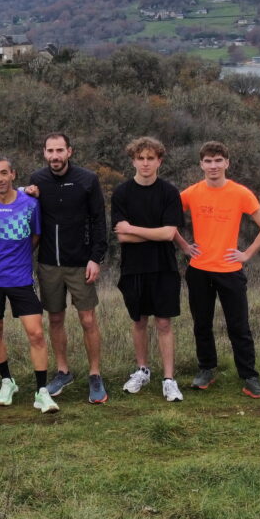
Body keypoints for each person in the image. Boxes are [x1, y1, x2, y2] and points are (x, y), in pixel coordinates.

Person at [177, 141, 260, 398]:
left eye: (218, 160)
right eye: (208, 161)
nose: (213, 166)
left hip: (230, 270)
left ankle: (250, 377)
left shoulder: (240, 193)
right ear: (201, 164)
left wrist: (246, 254)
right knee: (202, 324)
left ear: (227, 163)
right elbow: (167, 219)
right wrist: (184, 246)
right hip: (199, 269)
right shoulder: (191, 193)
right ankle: (206, 370)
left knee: (239, 326)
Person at [27, 133, 109, 404]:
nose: (55, 156)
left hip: (80, 262)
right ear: (44, 153)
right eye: (50, 151)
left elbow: (98, 220)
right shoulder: (37, 179)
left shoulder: (87, 179)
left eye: (60, 150)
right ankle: (63, 371)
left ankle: (95, 374)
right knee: (55, 319)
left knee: (88, 320)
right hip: (49, 262)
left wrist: (96, 258)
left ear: (69, 151)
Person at [0, 157, 58, 413]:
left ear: (13, 174)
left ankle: (41, 391)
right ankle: (7, 382)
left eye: (4, 173)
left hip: (21, 278)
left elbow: (36, 236)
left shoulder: (30, 204)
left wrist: (16, 258)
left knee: (36, 333)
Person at [111, 137, 185, 402]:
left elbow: (169, 234)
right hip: (133, 267)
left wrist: (133, 229)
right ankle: (142, 370)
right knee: (139, 320)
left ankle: (169, 379)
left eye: (150, 158)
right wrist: (153, 233)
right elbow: (122, 237)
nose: (145, 163)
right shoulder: (122, 193)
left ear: (159, 161)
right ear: (133, 161)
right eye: (140, 158)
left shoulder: (169, 192)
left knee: (163, 322)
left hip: (164, 266)